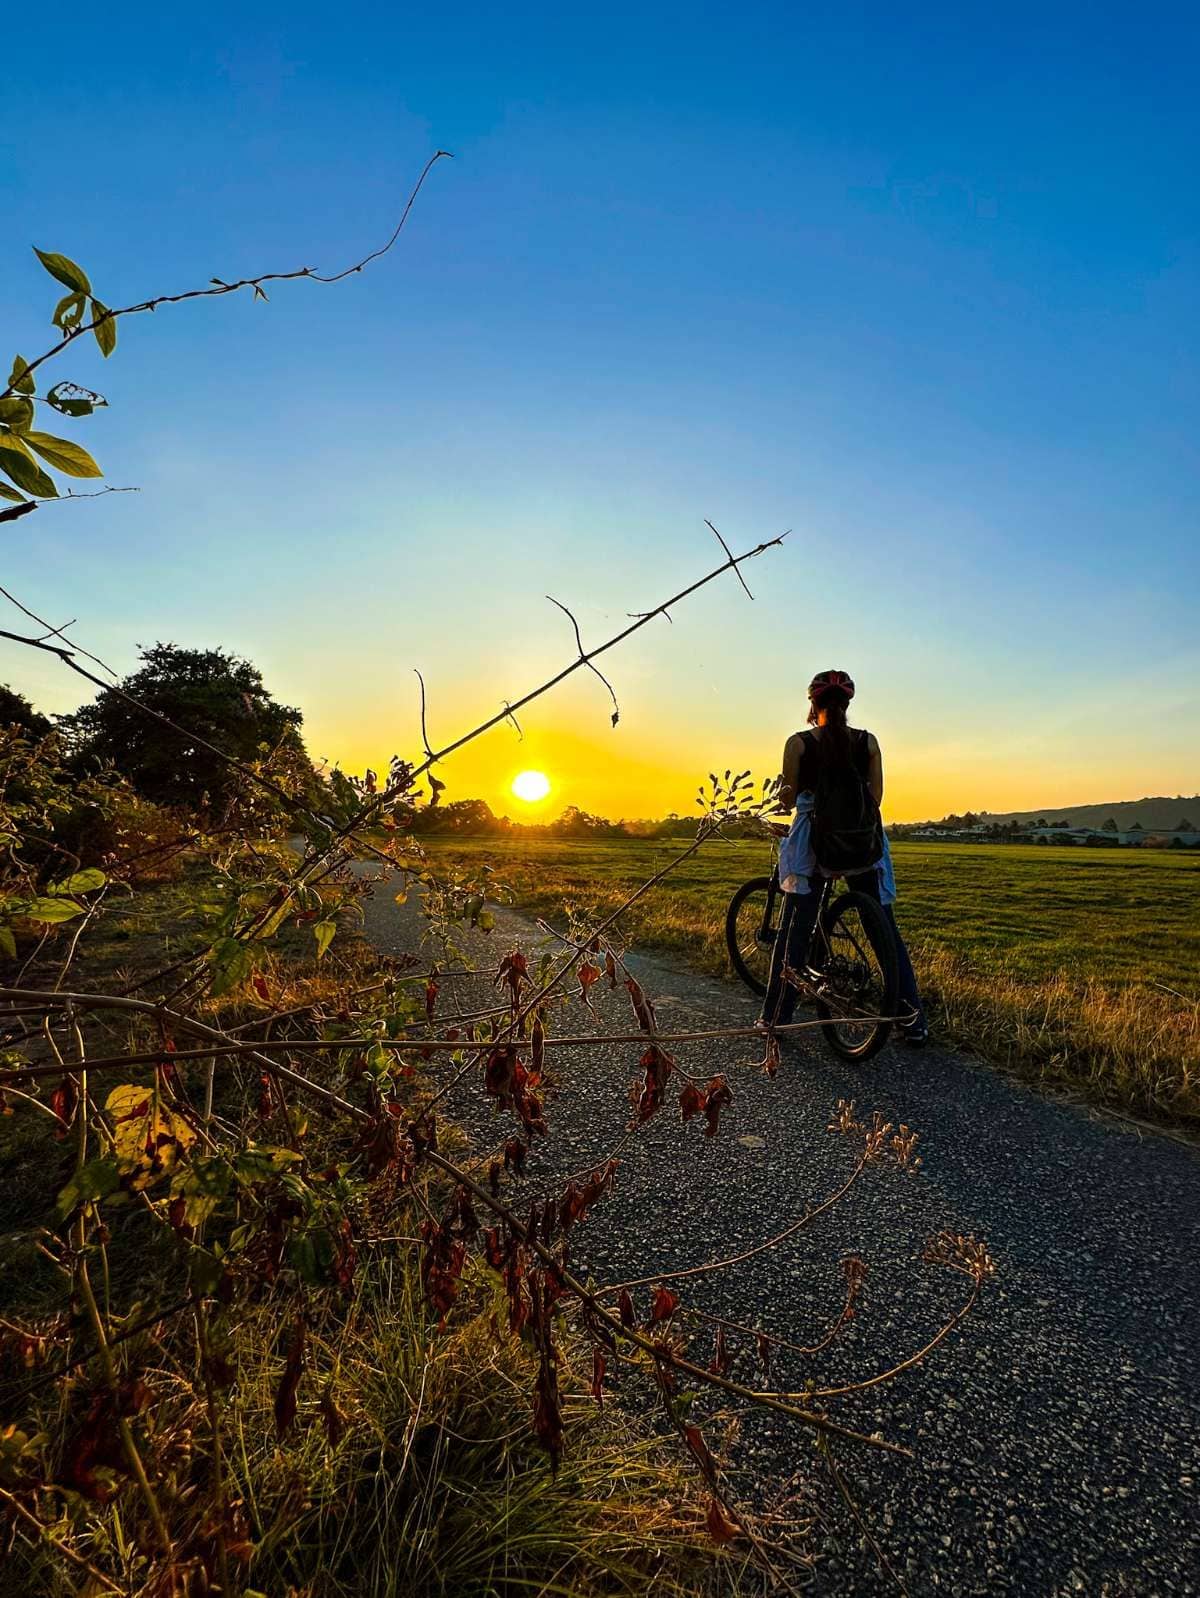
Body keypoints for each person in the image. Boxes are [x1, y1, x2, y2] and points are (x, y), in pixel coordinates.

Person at [759, 669, 928, 1045]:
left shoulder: (799, 743)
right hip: (862, 846)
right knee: (884, 930)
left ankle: (776, 1020)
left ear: (812, 704)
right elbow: (876, 798)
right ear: (847, 704)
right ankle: (911, 1019)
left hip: (814, 846)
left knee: (795, 930)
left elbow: (786, 800)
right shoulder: (868, 742)